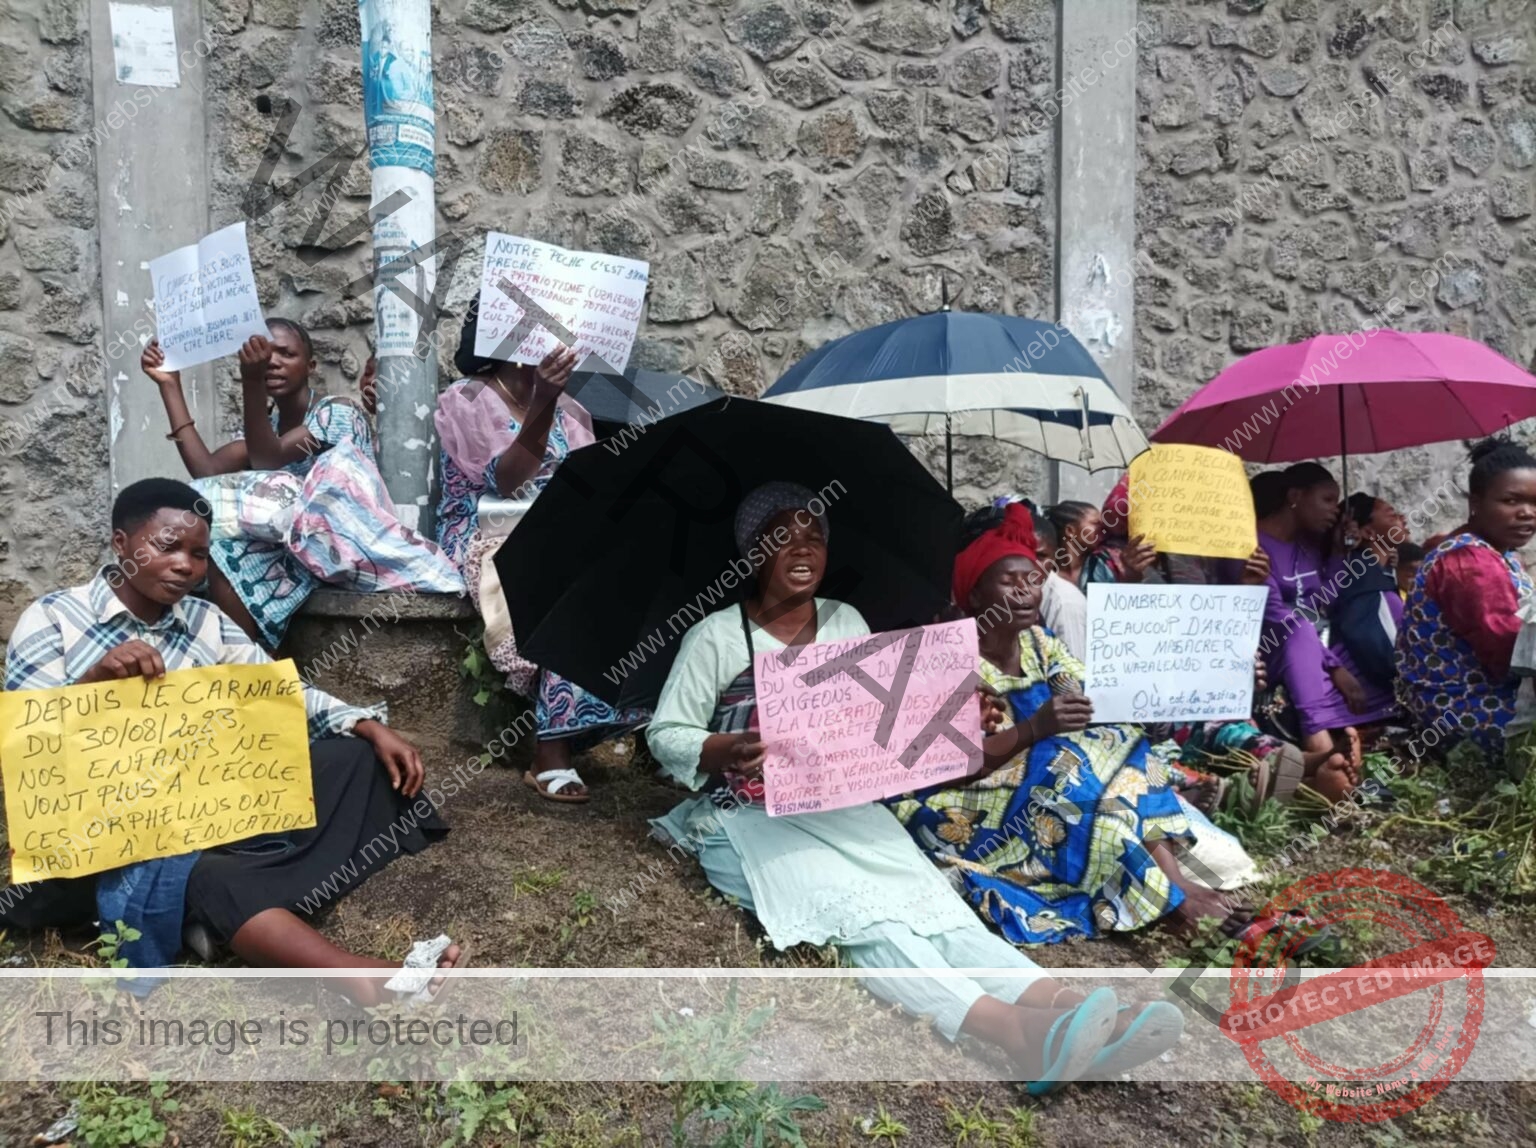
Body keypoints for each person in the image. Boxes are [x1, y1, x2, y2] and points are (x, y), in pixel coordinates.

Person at [646, 483, 1184, 1089]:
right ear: (752, 554)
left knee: (934, 911)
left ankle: (1071, 1010)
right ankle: (1015, 1034)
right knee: (865, 922)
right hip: (745, 818)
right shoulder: (717, 637)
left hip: (843, 805)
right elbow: (666, 732)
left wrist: (954, 717)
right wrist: (724, 747)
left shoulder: (846, 621)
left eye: (814, 538)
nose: (801, 550)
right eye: (781, 539)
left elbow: (880, 715)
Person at [1, 480, 464, 1000]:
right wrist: (92, 684)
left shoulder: (204, 621)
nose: (185, 566)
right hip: (110, 839)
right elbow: (28, 752)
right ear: (121, 544)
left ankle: (208, 912)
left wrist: (364, 723)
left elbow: (279, 692)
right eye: (167, 546)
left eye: (199, 554)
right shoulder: (52, 621)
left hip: (207, 813)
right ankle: (360, 977)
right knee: (200, 874)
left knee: (355, 761)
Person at [888, 502, 1274, 945]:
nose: (1026, 591)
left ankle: (1179, 887)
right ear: (975, 596)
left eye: (1033, 579)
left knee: (1118, 743)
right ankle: (1176, 903)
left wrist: (1209, 671)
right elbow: (950, 765)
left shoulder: (1040, 642)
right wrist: (1034, 728)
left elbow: (1087, 695)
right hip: (971, 799)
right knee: (1069, 769)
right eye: (1009, 582)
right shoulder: (949, 661)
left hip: (1047, 771)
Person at [434, 299, 647, 803]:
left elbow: (584, 487)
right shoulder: (466, 399)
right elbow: (505, 482)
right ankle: (550, 752)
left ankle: (637, 726)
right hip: (488, 530)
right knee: (558, 578)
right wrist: (544, 400)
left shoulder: (574, 413)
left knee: (626, 567)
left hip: (556, 530)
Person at [141, 321, 460, 648]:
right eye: (266, 353)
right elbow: (207, 470)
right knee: (198, 546)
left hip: (338, 548)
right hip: (293, 545)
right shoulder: (270, 423)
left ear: (310, 366)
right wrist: (169, 386)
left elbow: (268, 459)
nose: (272, 362)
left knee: (222, 553)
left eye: (286, 354)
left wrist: (252, 380)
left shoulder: (337, 412)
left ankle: (249, 670)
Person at [1398, 439, 1536, 765]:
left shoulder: (1500, 553)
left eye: (1534, 503)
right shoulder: (1470, 563)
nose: (1527, 513)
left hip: (1489, 694)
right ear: (1476, 503)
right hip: (1464, 709)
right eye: (1511, 500)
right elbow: (1510, 652)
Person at [1254, 463, 1393, 766]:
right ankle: (1317, 739)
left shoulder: (1308, 544)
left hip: (1317, 641)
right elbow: (1278, 617)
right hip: (1276, 644)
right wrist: (1334, 667)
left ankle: (1364, 735)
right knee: (1299, 630)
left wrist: (1338, 552)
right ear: (1295, 497)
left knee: (1370, 647)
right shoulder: (1253, 547)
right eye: (1327, 500)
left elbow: (1324, 602)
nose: (1335, 510)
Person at [1331, 494, 1406, 706]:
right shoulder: (1366, 581)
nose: (1403, 519)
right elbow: (1385, 653)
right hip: (1378, 698)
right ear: (1368, 532)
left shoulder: (1380, 574)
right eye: (1391, 515)